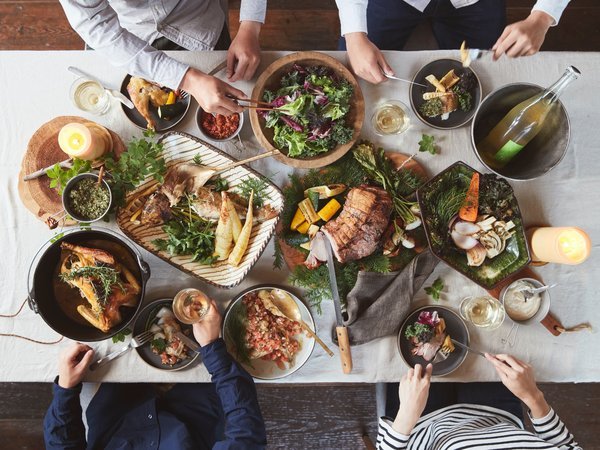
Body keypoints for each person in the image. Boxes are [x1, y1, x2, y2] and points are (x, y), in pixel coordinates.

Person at [43, 300, 267, 449]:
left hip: (118, 409)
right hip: (195, 411)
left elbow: (60, 444)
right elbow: (247, 437)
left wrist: (65, 388)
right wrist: (211, 346)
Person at [59, 0, 267, 115]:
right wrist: (189, 80)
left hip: (198, 19)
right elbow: (94, 22)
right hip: (131, 31)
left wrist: (250, 24)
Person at [336, 0, 571, 84]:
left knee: (485, 76)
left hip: (475, 4)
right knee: (352, 74)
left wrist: (542, 16)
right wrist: (355, 33)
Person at [377, 353, 581, 449]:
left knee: (393, 353)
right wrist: (533, 396)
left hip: (417, 425)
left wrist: (407, 414)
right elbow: (565, 445)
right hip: (496, 414)